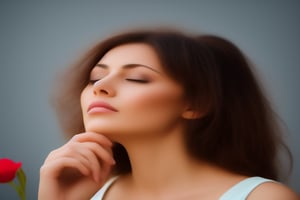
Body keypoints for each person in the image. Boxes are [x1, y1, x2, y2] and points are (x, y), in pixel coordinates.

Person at [38, 28, 299, 200]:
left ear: (196, 104)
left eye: (137, 78)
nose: (100, 87)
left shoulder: (264, 198)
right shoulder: (85, 194)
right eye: (96, 77)